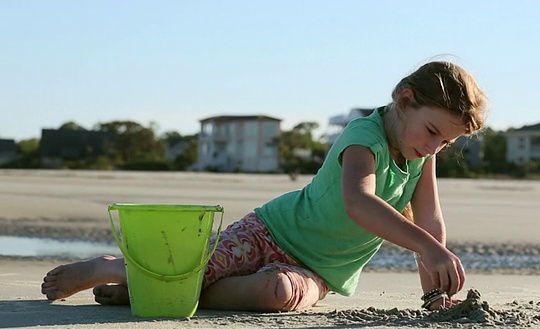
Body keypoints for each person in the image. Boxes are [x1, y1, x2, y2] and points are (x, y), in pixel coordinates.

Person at [41, 60, 488, 312]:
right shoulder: (363, 138)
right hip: (270, 232)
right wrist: (427, 248)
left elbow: (429, 221)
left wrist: (434, 294)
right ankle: (111, 268)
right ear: (405, 100)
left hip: (318, 272)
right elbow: (358, 202)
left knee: (279, 295)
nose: (434, 148)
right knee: (202, 264)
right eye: (432, 132)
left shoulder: (419, 158)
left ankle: (156, 291)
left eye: (445, 142)